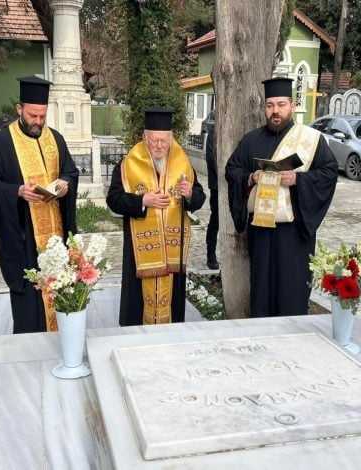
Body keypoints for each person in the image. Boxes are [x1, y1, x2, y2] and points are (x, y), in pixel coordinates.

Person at [225, 77, 338, 317]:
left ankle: (293, 335)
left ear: (292, 106)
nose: (275, 111)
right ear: (264, 108)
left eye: (281, 104)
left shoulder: (311, 140)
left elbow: (328, 173)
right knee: (262, 286)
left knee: (292, 287)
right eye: (270, 105)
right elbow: (232, 170)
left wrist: (298, 180)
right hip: (262, 230)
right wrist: (251, 177)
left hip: (294, 232)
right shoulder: (251, 140)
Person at [0, 76, 79, 334]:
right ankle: (29, 345)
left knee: (59, 288)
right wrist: (17, 191)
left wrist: (65, 183)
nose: (38, 122)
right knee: (30, 296)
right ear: (19, 109)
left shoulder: (55, 140)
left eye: (42, 116)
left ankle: (62, 339)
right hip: (24, 234)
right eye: (33, 116)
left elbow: (71, 172)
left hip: (55, 234)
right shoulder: (2, 143)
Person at [107, 107, 206, 326]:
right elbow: (113, 200)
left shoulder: (184, 164)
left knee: (173, 304)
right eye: (154, 141)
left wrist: (190, 194)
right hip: (140, 251)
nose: (159, 146)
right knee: (137, 304)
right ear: (145, 138)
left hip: (173, 250)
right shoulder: (127, 165)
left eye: (163, 141)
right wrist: (142, 201)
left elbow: (199, 198)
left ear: (171, 139)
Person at [204, 124, 219, 270]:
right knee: (216, 221)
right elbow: (211, 158)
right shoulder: (214, 132)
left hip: (237, 184)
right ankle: (211, 255)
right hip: (218, 185)